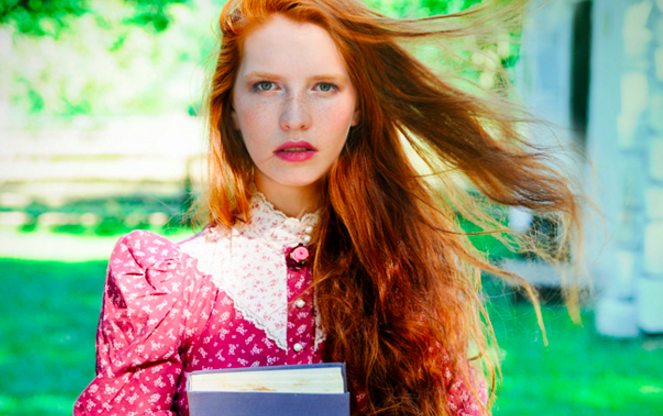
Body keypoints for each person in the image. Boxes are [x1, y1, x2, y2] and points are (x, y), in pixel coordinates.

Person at [74, 0, 581, 415]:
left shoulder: (407, 273)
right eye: (266, 86)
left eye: (324, 87)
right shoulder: (167, 282)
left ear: (357, 107)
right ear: (231, 108)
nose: (295, 117)